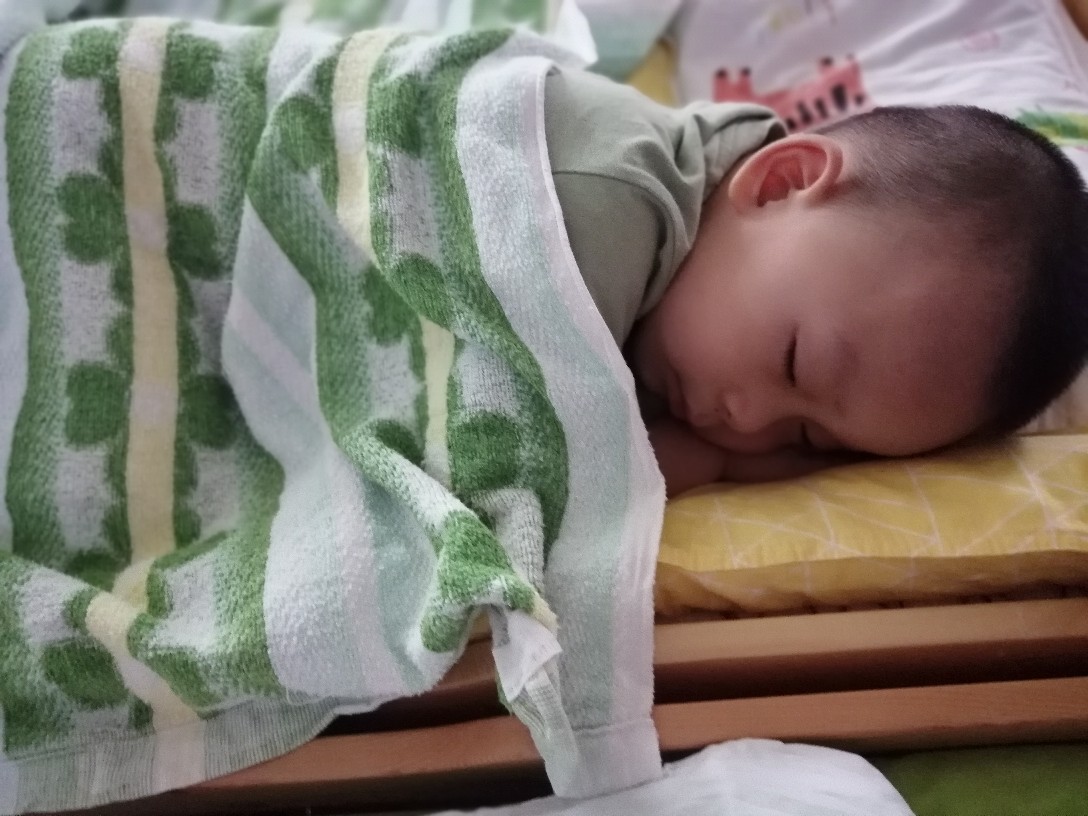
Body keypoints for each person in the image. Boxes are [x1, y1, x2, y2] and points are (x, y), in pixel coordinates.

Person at [544, 70, 1088, 495]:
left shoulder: (708, 291)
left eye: (805, 438)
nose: (748, 424)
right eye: (793, 362)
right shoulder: (599, 203)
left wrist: (716, 461)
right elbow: (538, 472)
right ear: (780, 183)